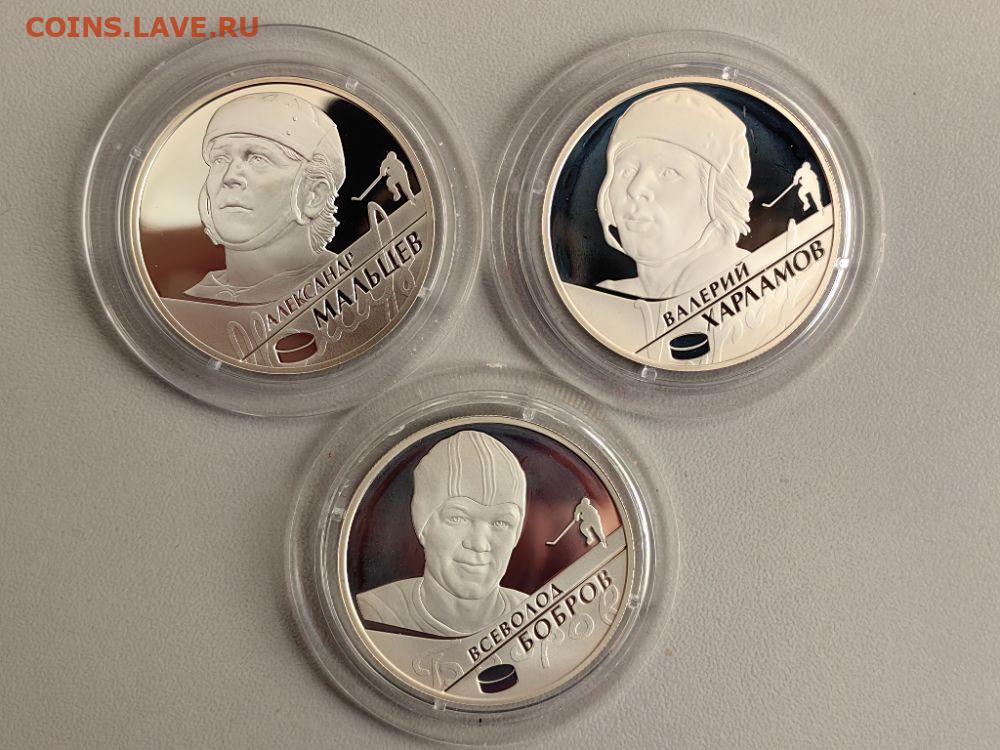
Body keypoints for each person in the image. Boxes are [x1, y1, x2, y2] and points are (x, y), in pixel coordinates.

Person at [357, 431, 528, 637]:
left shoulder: (534, 618)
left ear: (516, 533)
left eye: (501, 522)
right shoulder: (377, 614)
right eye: (458, 518)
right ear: (423, 526)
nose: (479, 544)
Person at [185, 91, 347, 304]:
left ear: (313, 195)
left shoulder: (347, 289)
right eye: (220, 159)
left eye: (258, 159)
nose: (230, 177)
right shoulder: (187, 299)